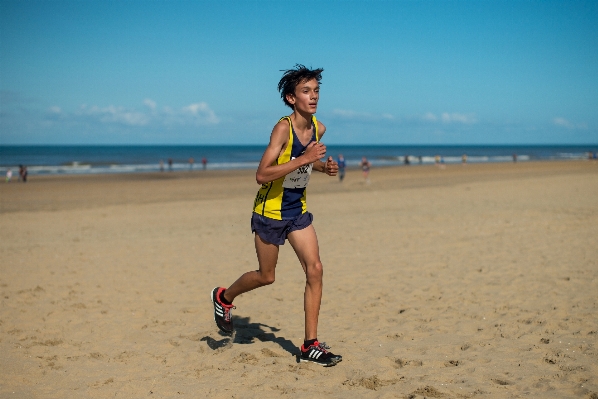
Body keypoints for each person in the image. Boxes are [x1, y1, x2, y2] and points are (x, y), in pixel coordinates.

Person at [211, 64, 342, 367]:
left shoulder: (319, 129)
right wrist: (308, 158)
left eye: (316, 91)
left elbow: (305, 165)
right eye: (306, 91)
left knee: (316, 270)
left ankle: (310, 345)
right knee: (266, 276)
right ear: (290, 98)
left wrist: (323, 167)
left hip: (297, 212)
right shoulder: (283, 128)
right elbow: (262, 174)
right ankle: (224, 297)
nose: (313, 97)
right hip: (269, 212)